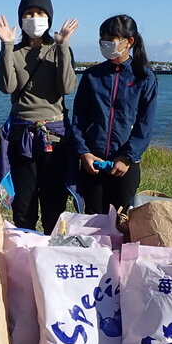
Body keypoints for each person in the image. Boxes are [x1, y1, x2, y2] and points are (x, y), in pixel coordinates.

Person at [0, 0, 79, 234]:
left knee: (54, 203)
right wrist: (6, 45)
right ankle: (26, 255)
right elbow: (7, 86)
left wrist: (63, 47)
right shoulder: (14, 52)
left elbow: (67, 87)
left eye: (40, 13)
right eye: (29, 13)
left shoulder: (59, 50)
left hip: (54, 136)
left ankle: (52, 257)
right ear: (21, 19)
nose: (34, 18)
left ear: (49, 18)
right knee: (24, 204)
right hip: (23, 136)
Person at [69, 14, 158, 214]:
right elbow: (78, 119)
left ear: (129, 42)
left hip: (125, 164)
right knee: (93, 221)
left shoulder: (144, 77)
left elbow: (145, 124)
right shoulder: (92, 76)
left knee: (122, 221)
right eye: (103, 39)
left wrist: (127, 157)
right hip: (93, 161)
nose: (106, 44)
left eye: (112, 39)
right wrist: (83, 153)